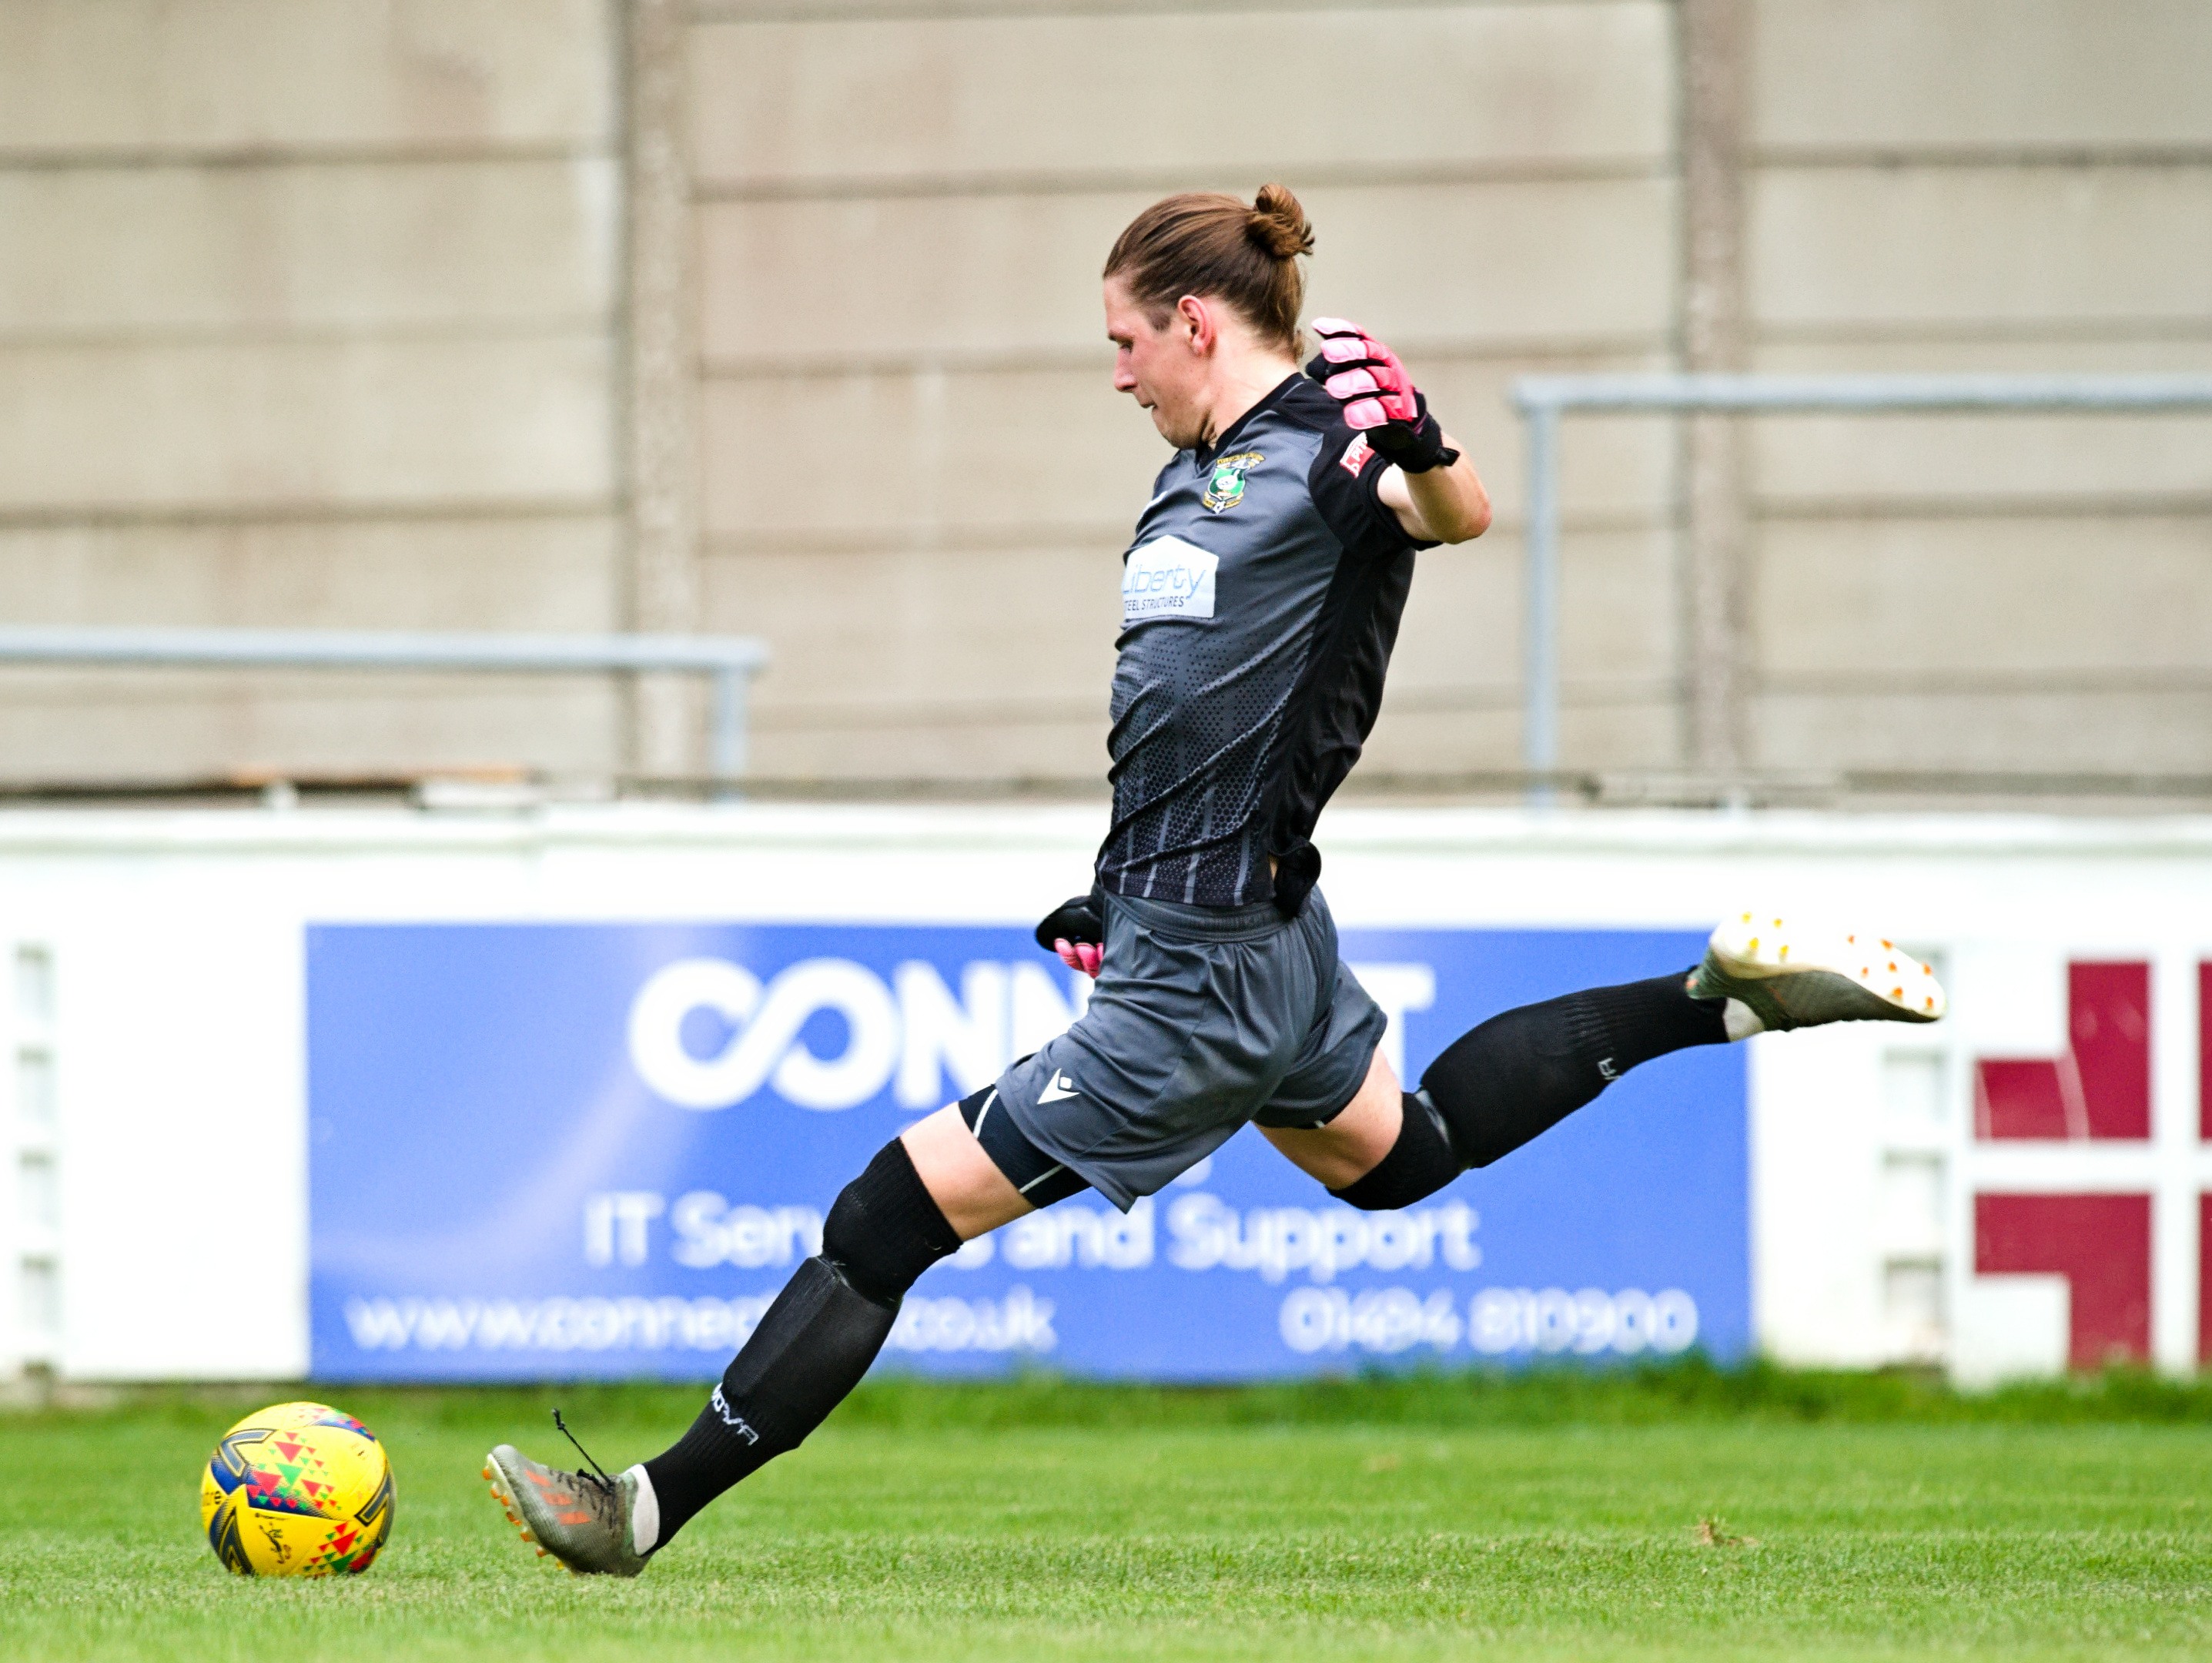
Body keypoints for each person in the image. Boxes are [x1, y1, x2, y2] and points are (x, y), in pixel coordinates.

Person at [485, 185, 1946, 1574]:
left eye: (1125, 340)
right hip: (1241, 926)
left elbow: (1452, 514)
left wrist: (1422, 440)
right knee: (1403, 1154)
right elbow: (1188, 706)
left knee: (883, 1221)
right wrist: (1118, 887)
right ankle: (1717, 998)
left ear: (1194, 321)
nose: (1116, 372)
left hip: (1208, 968)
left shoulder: (1329, 445)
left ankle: (644, 1509)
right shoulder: (1195, 470)